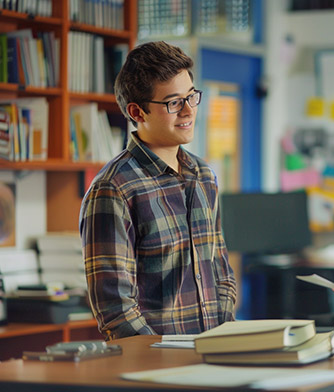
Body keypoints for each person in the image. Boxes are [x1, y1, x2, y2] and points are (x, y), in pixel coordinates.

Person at [79, 41, 236, 340]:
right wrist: (162, 359)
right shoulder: (113, 189)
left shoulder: (203, 176)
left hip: (215, 358)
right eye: (174, 103)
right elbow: (116, 308)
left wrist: (222, 339)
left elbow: (222, 274)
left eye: (191, 97)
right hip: (156, 371)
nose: (189, 111)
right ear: (137, 112)